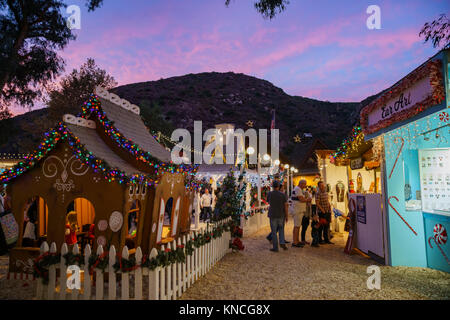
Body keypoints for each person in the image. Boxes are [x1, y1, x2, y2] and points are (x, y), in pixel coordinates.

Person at [267, 180, 288, 252]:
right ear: (278, 186)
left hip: (272, 214)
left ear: (272, 186)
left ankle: (275, 247)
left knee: (274, 231)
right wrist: (287, 215)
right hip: (281, 214)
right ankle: (282, 242)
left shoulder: (269, 194)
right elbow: (285, 206)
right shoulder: (282, 194)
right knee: (281, 230)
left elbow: (268, 202)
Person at [291, 180, 310, 247]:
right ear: (301, 184)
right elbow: (301, 199)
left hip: (298, 210)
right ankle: (295, 242)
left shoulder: (298, 189)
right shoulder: (298, 189)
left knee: (298, 226)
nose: (305, 186)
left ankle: (297, 240)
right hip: (297, 210)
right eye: (304, 184)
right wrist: (308, 200)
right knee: (297, 226)